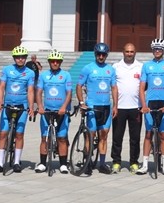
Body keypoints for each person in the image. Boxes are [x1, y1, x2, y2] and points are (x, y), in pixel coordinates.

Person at [0, 45, 34, 174]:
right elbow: (1, 87)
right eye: (18, 57)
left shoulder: (30, 72)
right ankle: (0, 163)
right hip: (7, 105)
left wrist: (31, 106)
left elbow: (30, 91)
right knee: (3, 133)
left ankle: (16, 162)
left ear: (25, 59)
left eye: (23, 57)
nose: (20, 60)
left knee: (19, 134)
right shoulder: (7, 70)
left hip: (22, 106)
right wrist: (0, 102)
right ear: (14, 58)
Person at [77, 42, 117, 175]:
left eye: (103, 54)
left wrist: (115, 104)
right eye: (99, 54)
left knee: (104, 136)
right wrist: (82, 102)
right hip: (92, 107)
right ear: (95, 54)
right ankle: (87, 162)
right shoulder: (87, 68)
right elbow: (78, 86)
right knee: (90, 136)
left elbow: (114, 88)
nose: (101, 56)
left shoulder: (110, 69)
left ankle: (102, 163)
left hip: (106, 107)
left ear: (106, 55)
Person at [139, 38, 164, 176]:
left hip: (163, 103)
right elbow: (141, 88)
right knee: (148, 134)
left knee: (163, 135)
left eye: (159, 49)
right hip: (150, 103)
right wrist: (143, 106)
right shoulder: (147, 66)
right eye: (155, 49)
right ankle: (145, 165)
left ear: (163, 50)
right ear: (152, 50)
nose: (157, 51)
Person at [34, 51, 73, 173]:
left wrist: (64, 107)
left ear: (60, 62)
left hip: (61, 111)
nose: (55, 63)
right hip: (47, 111)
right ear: (49, 62)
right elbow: (39, 92)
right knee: (44, 138)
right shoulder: (43, 75)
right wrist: (40, 106)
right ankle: (42, 163)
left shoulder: (66, 75)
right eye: (52, 61)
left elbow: (69, 93)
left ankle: (63, 164)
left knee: (61, 138)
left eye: (57, 61)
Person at [111, 43, 143, 173]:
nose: (129, 54)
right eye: (127, 51)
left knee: (135, 137)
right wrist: (115, 106)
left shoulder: (141, 67)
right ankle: (116, 162)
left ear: (135, 52)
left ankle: (134, 162)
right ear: (122, 52)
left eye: (132, 51)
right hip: (120, 107)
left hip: (136, 107)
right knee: (117, 136)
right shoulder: (116, 67)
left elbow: (144, 85)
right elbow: (112, 86)